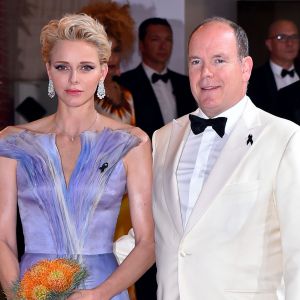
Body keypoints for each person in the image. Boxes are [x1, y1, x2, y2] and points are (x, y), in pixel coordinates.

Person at [0, 13, 155, 300]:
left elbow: (147, 243)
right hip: (31, 292)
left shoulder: (132, 142)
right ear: (49, 70)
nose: (73, 79)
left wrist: (98, 294)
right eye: (62, 67)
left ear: (102, 72)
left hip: (104, 290)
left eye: (86, 67)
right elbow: (3, 239)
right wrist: (18, 296)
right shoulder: (12, 142)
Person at [150, 16, 300, 299]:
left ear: (246, 68)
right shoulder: (163, 138)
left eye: (219, 60)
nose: (206, 73)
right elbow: (153, 232)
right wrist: (84, 266)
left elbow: (298, 251)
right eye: (196, 62)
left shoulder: (284, 138)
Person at [118, 17, 196, 138]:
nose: (163, 46)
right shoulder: (125, 82)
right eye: (155, 40)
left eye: (168, 40)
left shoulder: (185, 83)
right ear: (142, 45)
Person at [79, 2, 136, 126]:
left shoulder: (127, 95)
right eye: (105, 51)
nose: (111, 58)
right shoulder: (82, 94)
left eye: (116, 50)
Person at [247, 19, 300, 114]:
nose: (290, 43)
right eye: (281, 37)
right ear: (269, 44)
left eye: (294, 37)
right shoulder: (252, 80)